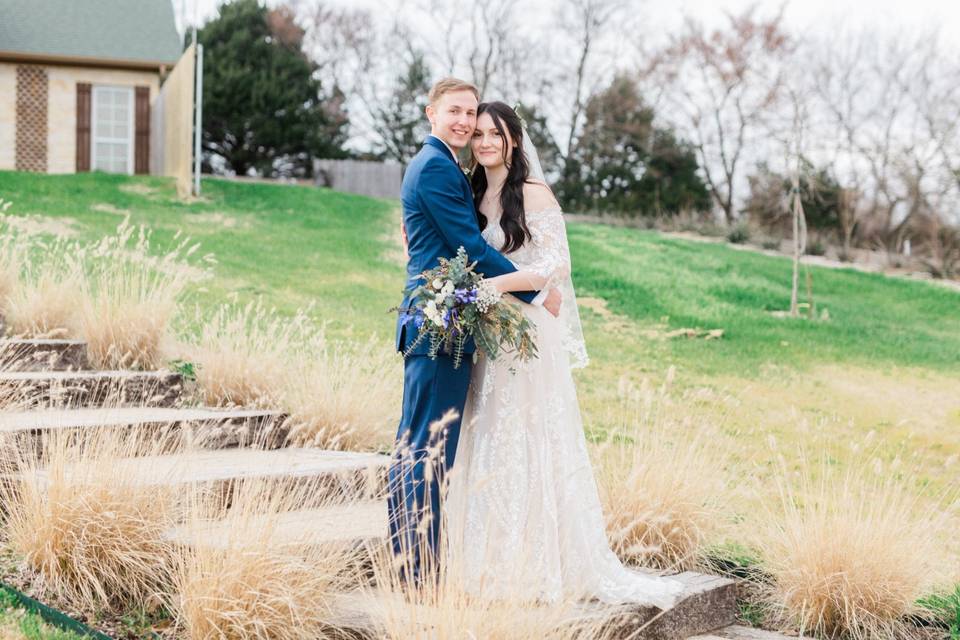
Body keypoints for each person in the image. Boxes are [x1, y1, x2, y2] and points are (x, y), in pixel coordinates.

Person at [443, 101, 685, 609]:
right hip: (488, 334)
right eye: (480, 134)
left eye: (496, 134)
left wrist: (494, 286)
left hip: (526, 334)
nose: (485, 142)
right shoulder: (469, 191)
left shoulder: (532, 193)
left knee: (526, 433)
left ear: (513, 139)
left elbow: (558, 264)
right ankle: (484, 560)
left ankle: (537, 563)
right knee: (486, 429)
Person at [388, 79, 562, 584]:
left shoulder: (447, 168)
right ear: (431, 114)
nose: (466, 123)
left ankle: (419, 565)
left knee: (424, 443)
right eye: (457, 113)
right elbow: (468, 245)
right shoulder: (438, 167)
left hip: (449, 322)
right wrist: (535, 291)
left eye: (472, 114)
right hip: (438, 325)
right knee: (427, 447)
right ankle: (417, 573)